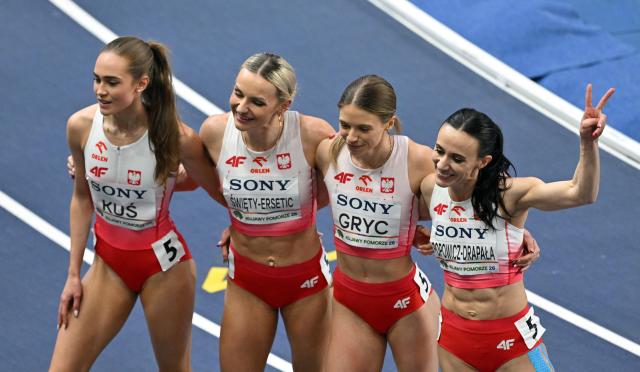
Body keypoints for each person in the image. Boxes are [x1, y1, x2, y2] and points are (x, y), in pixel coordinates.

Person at [50, 36, 221, 372]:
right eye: (97, 79)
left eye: (112, 82)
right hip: (108, 264)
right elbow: (82, 199)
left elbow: (213, 188)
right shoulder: (81, 127)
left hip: (165, 268)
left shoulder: (175, 136)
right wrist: (73, 275)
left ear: (142, 83)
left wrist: (236, 225)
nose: (100, 90)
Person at [418, 84, 614, 371]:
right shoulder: (428, 188)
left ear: (483, 162)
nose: (442, 164)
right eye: (440, 151)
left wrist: (588, 143)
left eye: (457, 159)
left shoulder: (509, 195)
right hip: (454, 340)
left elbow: (580, 193)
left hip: (513, 341)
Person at [198, 53, 335, 371]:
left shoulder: (313, 135)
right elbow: (186, 177)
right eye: (238, 93)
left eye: (257, 102)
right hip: (247, 280)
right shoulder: (215, 133)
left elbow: (349, 187)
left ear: (283, 105)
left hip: (305, 281)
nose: (241, 107)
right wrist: (91, 171)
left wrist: (281, 219)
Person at [313, 75, 441, 371]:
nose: (351, 136)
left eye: (363, 128)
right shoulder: (327, 152)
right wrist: (242, 227)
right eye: (345, 125)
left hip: (405, 302)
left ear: (389, 123)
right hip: (349, 299)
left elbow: (471, 201)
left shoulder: (418, 160)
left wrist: (516, 232)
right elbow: (291, 191)